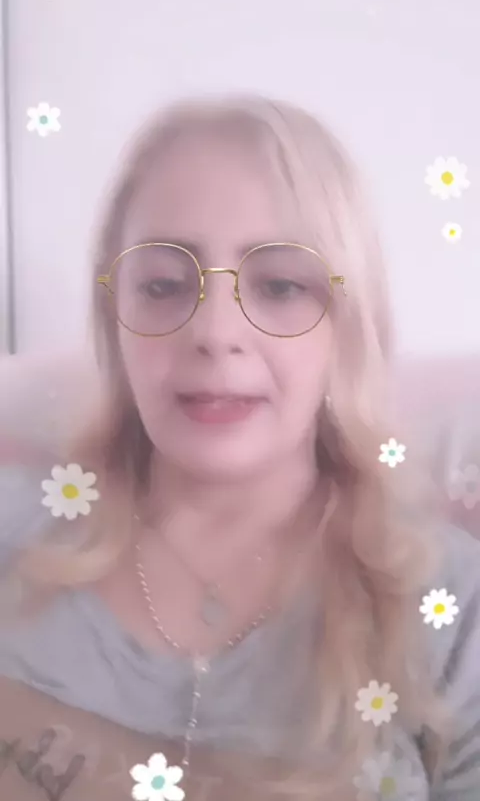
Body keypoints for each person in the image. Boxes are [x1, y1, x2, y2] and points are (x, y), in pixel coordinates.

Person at [0, 94, 479, 801]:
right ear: (115, 316)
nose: (215, 331)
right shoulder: (14, 530)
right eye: (164, 285)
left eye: (280, 286)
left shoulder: (451, 605)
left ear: (348, 324)